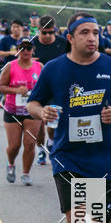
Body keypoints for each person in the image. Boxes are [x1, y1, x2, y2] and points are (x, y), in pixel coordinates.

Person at [27, 13, 111, 223]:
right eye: (84, 33)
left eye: (95, 33)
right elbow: (33, 102)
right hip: (67, 155)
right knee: (75, 216)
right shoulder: (54, 69)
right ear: (70, 37)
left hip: (101, 156)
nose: (92, 38)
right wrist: (41, 111)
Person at [1, 38, 42, 185]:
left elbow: (46, 87)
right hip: (13, 110)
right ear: (17, 49)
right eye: (22, 48)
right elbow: (1, 86)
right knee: (14, 146)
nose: (25, 51)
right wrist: (16, 90)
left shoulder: (39, 67)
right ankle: (11, 164)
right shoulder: (10, 66)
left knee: (30, 143)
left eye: (28, 48)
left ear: (33, 50)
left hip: (32, 110)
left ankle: (25, 173)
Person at [31, 15, 69, 165]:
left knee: (52, 122)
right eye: (44, 32)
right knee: (39, 123)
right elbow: (18, 62)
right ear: (38, 30)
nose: (47, 36)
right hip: (37, 89)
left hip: (57, 88)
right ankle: (41, 150)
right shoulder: (31, 44)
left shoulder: (63, 43)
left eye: (50, 32)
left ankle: (51, 142)